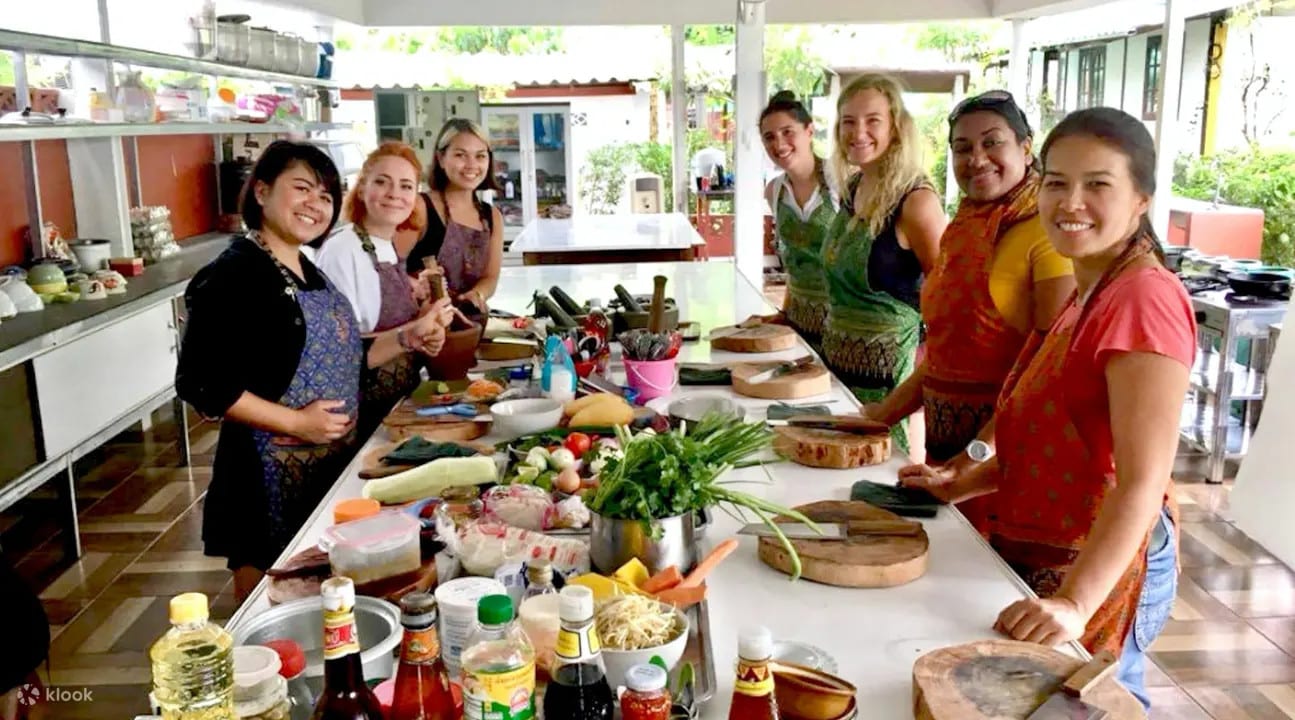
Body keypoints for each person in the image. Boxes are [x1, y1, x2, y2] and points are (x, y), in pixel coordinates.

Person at [900, 107, 1192, 711]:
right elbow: (1053, 439)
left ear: (1140, 198)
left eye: (1097, 184)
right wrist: (960, 482)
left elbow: (1142, 481)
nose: (1070, 201)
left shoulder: (1143, 299)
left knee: (1092, 703)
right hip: (1048, 551)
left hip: (1100, 569)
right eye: (1057, 182)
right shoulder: (1092, 285)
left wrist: (1076, 602)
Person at [864, 91, 1075, 533]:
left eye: (992, 142)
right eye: (962, 148)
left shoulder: (1049, 237)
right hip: (949, 462)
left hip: (1002, 469)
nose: (976, 159)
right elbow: (947, 354)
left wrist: (975, 457)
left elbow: (1046, 372)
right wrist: (879, 414)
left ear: (1026, 146)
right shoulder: (965, 223)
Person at [177, 141, 378, 600]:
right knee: (272, 613)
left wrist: (408, 337)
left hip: (321, 468)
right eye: (302, 188)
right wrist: (297, 422)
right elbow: (201, 381)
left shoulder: (305, 267)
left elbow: (345, 357)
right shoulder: (235, 274)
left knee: (325, 611)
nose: (316, 204)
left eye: (326, 196)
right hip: (263, 476)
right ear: (262, 192)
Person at [820, 74, 947, 455]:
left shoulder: (916, 202)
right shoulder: (852, 188)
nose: (858, 132)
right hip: (837, 373)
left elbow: (948, 304)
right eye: (848, 121)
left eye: (872, 120)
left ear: (896, 126)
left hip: (888, 387)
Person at [314, 141, 454, 439]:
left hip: (396, 406)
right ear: (362, 188)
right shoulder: (343, 250)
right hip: (358, 415)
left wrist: (428, 322)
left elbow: (396, 326)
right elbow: (343, 351)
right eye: (382, 182)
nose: (394, 194)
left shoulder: (389, 245)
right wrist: (414, 331)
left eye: (406, 186)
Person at [756, 90, 838, 354]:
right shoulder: (774, 191)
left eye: (787, 132)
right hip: (799, 321)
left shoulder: (841, 181)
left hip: (842, 322)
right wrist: (784, 313)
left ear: (810, 131)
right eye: (769, 137)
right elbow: (793, 262)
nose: (778, 144)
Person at [405, 118, 505, 326]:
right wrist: (418, 285)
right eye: (460, 155)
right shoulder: (420, 207)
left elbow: (490, 278)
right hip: (420, 327)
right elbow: (388, 271)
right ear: (441, 159)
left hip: (469, 326)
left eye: (480, 156)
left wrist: (477, 294)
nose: (472, 165)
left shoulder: (492, 217)